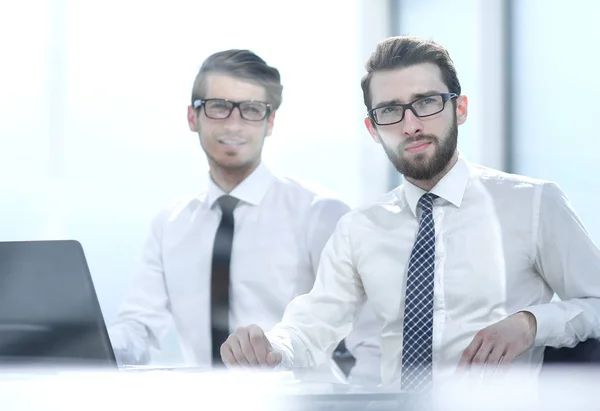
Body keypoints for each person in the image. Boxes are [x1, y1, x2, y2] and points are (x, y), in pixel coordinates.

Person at [220, 36, 600, 392]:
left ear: (459, 108)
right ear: (373, 129)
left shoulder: (533, 203)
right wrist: (267, 347)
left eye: (426, 102)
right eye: (390, 111)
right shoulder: (360, 228)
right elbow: (309, 328)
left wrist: (530, 323)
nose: (411, 124)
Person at [108, 49, 381, 384]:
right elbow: (139, 328)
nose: (234, 124)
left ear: (270, 122)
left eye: (251, 110)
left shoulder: (320, 214)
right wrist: (77, 344)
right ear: (193, 118)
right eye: (219, 107)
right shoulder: (170, 225)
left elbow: (371, 342)